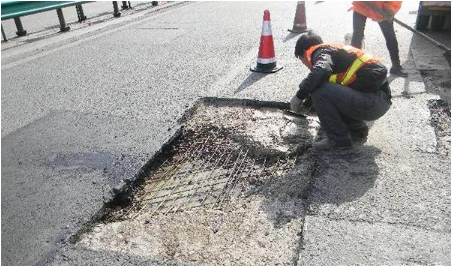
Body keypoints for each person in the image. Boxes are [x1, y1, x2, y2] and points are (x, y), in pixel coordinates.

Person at [290, 31, 392, 150]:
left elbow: (321, 71)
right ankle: (356, 131)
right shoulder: (335, 52)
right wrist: (307, 104)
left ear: (305, 52)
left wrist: (299, 96)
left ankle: (338, 141)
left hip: (374, 103)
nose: (306, 65)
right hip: (378, 101)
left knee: (319, 90)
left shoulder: (321, 52)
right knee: (323, 87)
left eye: (302, 60)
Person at [350, 1, 408, 77]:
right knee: (357, 35)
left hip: (382, 7)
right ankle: (353, 66)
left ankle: (396, 66)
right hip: (361, 5)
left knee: (390, 36)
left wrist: (389, 10)